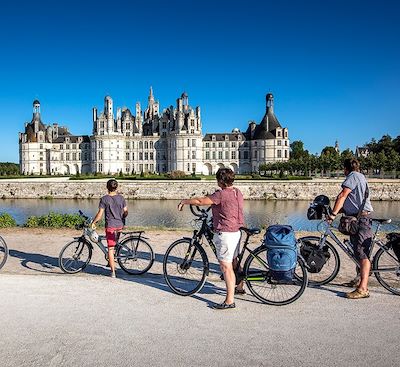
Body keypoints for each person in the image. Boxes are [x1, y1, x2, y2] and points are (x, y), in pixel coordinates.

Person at [178, 168, 244, 310]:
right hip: (237, 231)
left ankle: (229, 301)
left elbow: (201, 201)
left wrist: (185, 201)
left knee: (225, 267)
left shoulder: (221, 194)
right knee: (233, 260)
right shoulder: (237, 192)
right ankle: (239, 286)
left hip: (226, 232)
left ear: (220, 181)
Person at [327, 158, 373, 299]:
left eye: (343, 170)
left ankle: (363, 289)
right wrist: (337, 210)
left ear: (346, 169)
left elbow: (342, 195)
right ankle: (359, 279)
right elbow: (352, 201)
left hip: (361, 220)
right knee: (357, 251)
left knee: (362, 253)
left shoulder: (352, 177)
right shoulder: (360, 176)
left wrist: (332, 215)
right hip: (358, 218)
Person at [92, 179, 128, 278]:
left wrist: (93, 222)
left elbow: (100, 214)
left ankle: (113, 272)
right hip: (120, 225)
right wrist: (122, 217)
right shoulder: (121, 198)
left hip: (111, 226)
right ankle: (111, 262)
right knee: (115, 244)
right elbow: (126, 211)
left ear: (107, 187)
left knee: (110, 249)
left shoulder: (104, 199)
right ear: (116, 187)